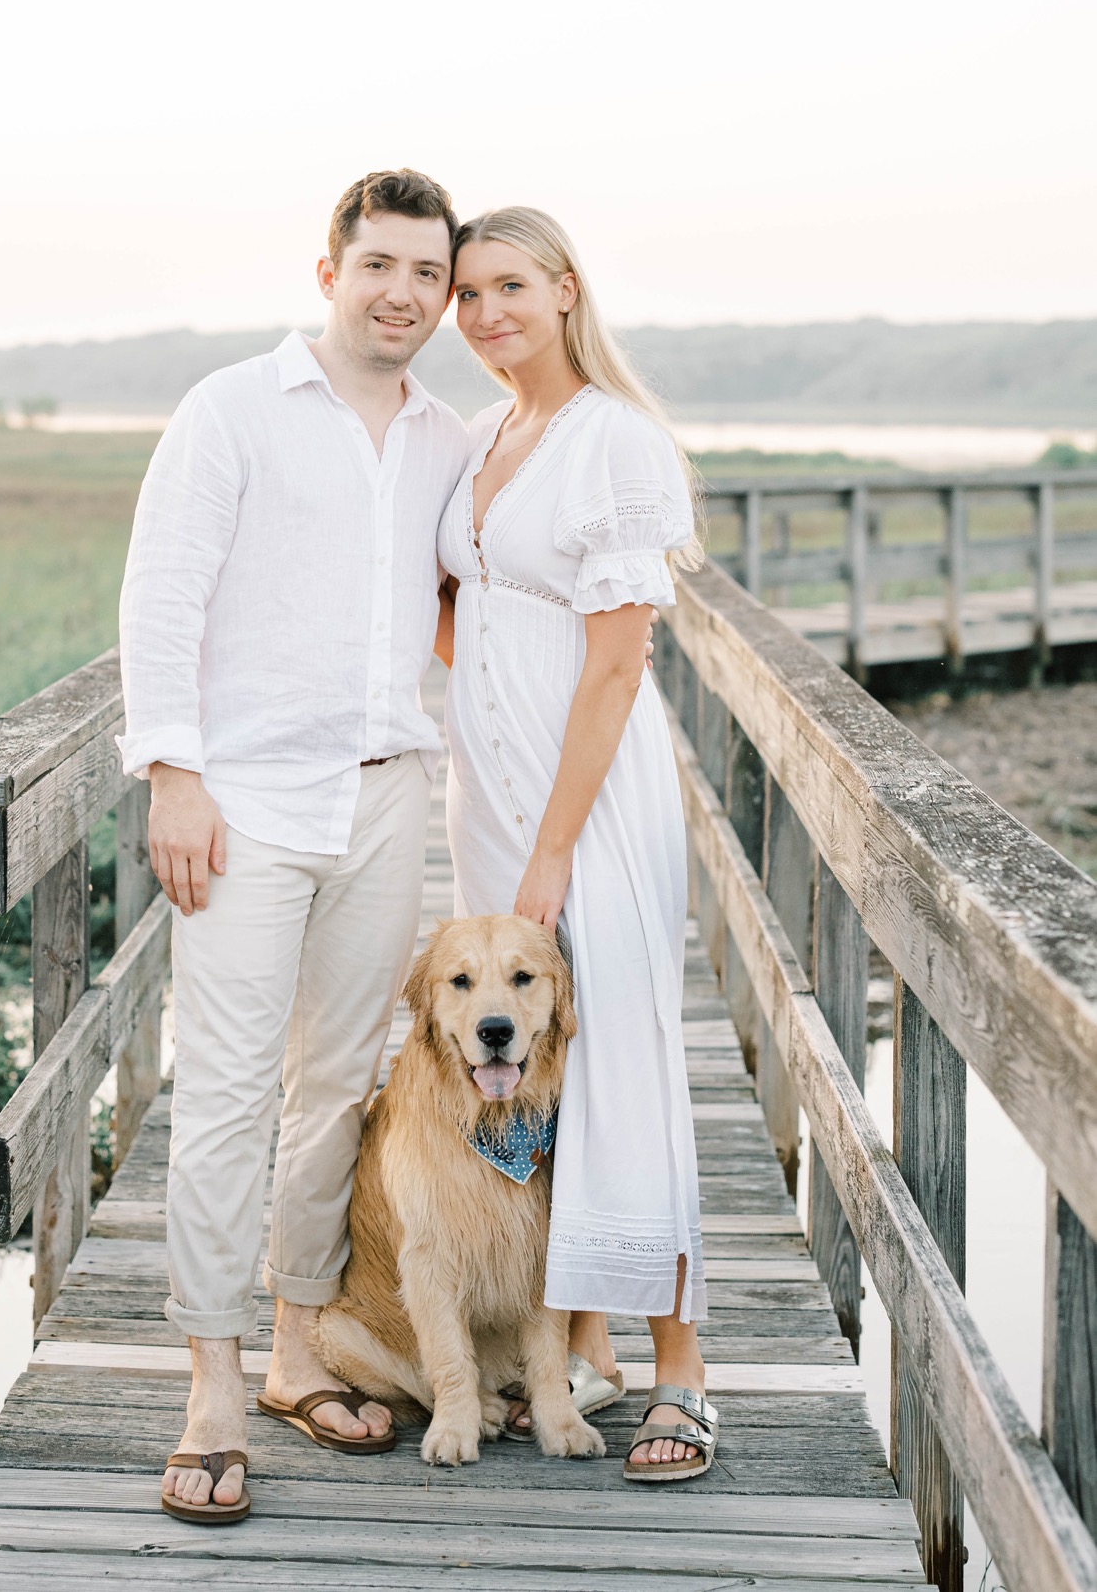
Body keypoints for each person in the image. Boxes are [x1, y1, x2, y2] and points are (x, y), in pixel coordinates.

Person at [118, 168, 471, 1524]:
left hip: (386, 800)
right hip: (246, 802)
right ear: (328, 268)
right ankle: (211, 1385)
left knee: (335, 1086)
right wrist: (174, 774)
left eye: (426, 275)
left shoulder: (446, 436)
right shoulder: (232, 411)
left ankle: (294, 1347)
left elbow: (464, 596)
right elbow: (163, 596)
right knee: (221, 1092)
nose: (403, 294)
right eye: (379, 264)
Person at [434, 205, 716, 1483]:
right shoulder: (491, 433)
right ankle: (581, 1347)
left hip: (585, 804)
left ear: (564, 289)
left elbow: (611, 667)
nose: (487, 314)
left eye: (510, 287)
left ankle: (680, 1367)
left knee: (625, 1059)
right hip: (488, 800)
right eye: (468, 295)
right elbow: (475, 623)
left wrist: (551, 850)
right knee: (534, 1074)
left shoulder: (612, 440)